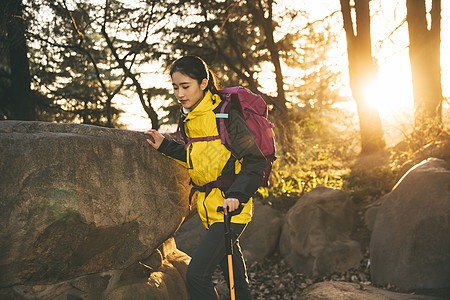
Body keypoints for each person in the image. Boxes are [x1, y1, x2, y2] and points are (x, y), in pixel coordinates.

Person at [145, 55, 266, 299]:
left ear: (203, 83)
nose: (179, 93)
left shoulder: (226, 114)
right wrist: (165, 146)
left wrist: (236, 196)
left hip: (231, 208)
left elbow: (255, 161)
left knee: (196, 275)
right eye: (175, 87)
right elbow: (194, 155)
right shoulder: (188, 117)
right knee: (234, 276)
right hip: (209, 208)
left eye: (185, 86)